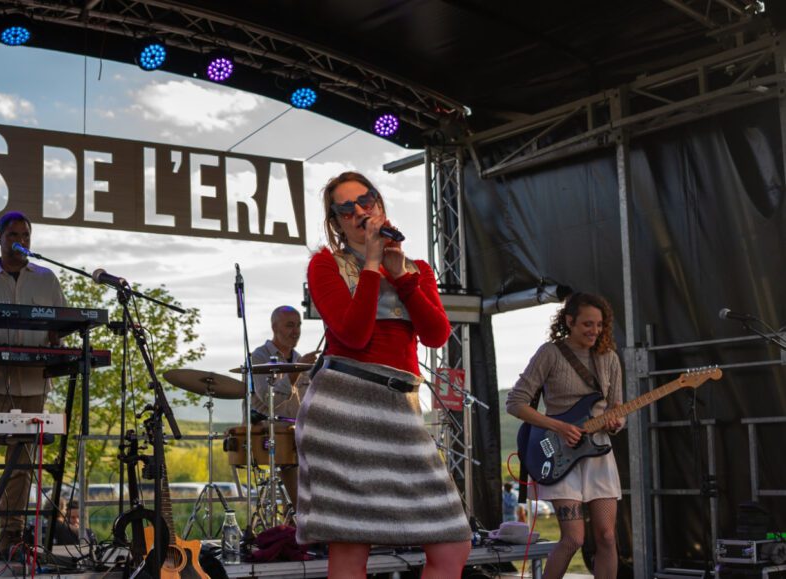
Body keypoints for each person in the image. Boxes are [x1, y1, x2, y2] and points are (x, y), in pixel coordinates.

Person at [296, 171, 472, 578]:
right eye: (346, 208)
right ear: (336, 222)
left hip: (400, 406)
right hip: (344, 403)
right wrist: (372, 265)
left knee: (452, 543)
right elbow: (354, 335)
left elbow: (436, 334)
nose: (360, 211)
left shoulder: (417, 269)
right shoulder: (326, 265)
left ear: (379, 203)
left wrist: (403, 278)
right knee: (351, 545)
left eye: (366, 200)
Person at [0, 211, 67, 560]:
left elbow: (62, 326)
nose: (20, 240)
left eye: (26, 235)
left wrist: (57, 344)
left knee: (22, 465)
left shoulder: (47, 278)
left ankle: (12, 539)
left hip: (33, 382)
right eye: (13, 235)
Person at [506, 292, 624, 579]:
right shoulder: (550, 353)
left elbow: (617, 408)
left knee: (607, 537)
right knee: (573, 539)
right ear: (569, 321)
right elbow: (515, 403)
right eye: (587, 324)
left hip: (598, 454)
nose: (594, 331)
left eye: (599, 324)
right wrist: (559, 427)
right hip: (557, 451)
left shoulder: (609, 358)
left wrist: (616, 422)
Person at [247, 305, 318, 510]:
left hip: (297, 434)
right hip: (269, 434)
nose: (295, 331)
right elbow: (270, 398)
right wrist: (297, 370)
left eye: (298, 325)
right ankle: (299, 515)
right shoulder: (259, 357)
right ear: (274, 327)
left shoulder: (300, 359)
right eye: (289, 325)